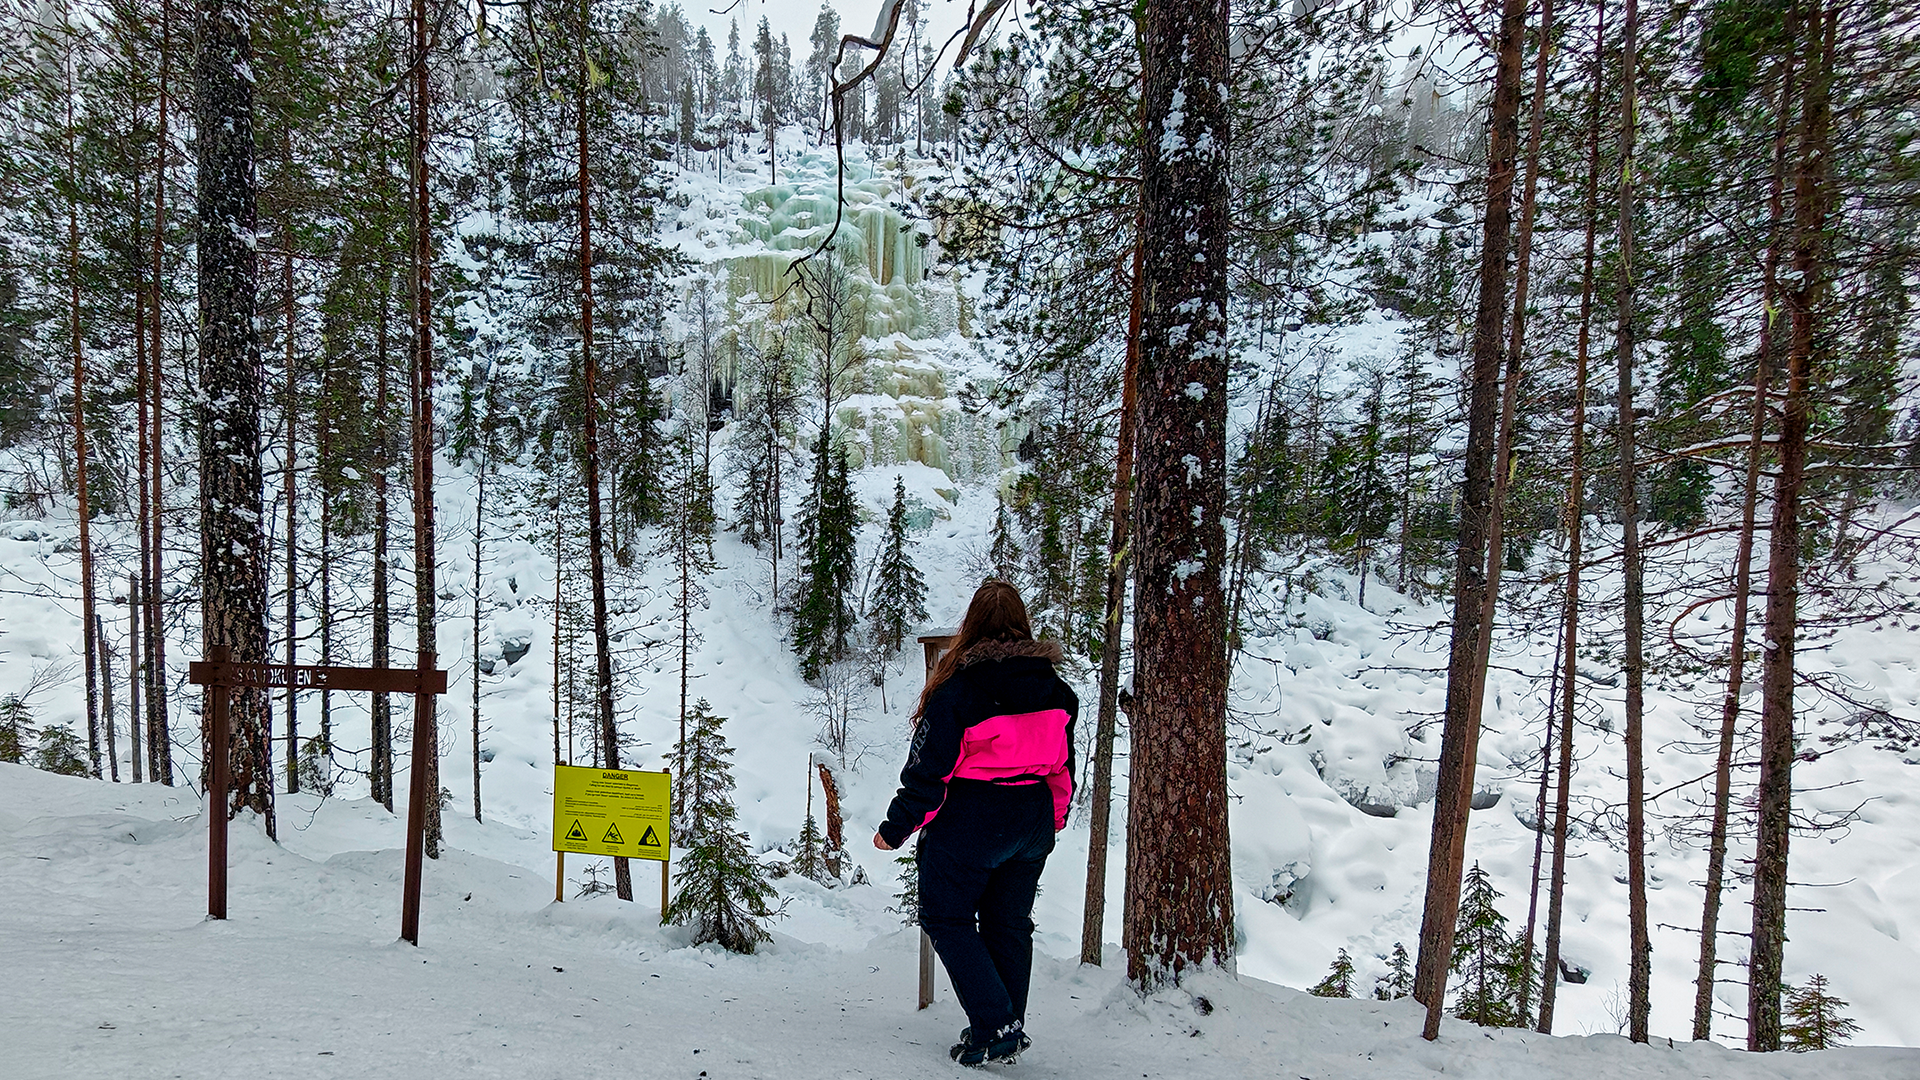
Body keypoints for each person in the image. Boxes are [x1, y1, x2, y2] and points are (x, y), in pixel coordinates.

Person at [873, 580, 1078, 1066]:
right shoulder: (1056, 690)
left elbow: (929, 772)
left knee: (946, 917)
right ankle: (1005, 1024)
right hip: (1031, 818)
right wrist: (1054, 817)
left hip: (972, 816)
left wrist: (896, 828)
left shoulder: (958, 691)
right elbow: (1063, 767)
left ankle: (994, 1023)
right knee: (1009, 923)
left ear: (971, 627)